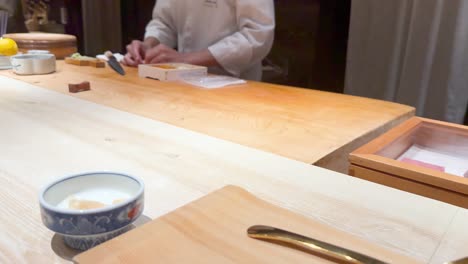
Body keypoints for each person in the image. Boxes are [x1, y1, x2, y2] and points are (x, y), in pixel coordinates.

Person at [123, 0, 275, 81]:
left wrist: (185, 59)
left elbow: (258, 34)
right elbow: (164, 22)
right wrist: (149, 45)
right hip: (181, 81)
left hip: (233, 85)